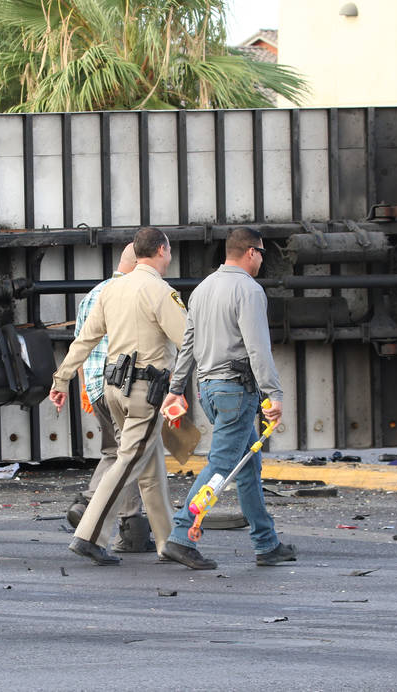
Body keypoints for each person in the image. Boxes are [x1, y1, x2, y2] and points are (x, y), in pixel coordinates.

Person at [160, 227, 297, 570]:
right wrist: (274, 393)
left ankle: (267, 543)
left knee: (248, 465)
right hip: (236, 390)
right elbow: (257, 347)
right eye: (262, 254)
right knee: (222, 466)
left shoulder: (203, 289)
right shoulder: (249, 290)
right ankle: (178, 535)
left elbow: (188, 344)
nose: (262, 260)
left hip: (209, 389)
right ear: (251, 252)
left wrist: (177, 388)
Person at [49, 228, 186, 566]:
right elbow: (189, 340)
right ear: (161, 251)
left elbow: (83, 341)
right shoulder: (160, 291)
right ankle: (89, 536)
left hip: (113, 391)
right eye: (168, 251)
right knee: (126, 463)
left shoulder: (110, 291)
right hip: (146, 392)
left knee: (150, 470)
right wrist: (184, 388)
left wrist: (60, 378)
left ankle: (169, 542)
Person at [65, 244, 154, 553]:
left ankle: (133, 530)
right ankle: (90, 501)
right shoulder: (134, 292)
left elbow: (81, 342)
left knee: (115, 452)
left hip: (97, 387)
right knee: (129, 454)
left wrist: (85, 388)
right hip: (125, 385)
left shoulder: (93, 294)